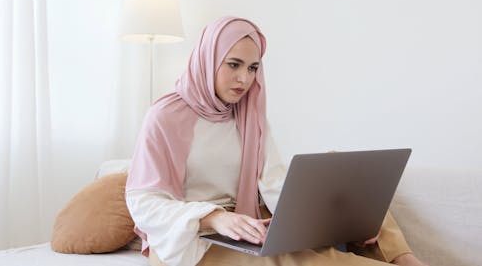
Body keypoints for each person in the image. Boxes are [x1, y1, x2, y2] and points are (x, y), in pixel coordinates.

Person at [125, 16, 428, 266]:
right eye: (234, 64)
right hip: (193, 238)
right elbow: (144, 202)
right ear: (208, 59)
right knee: (300, 260)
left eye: (253, 68)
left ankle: (403, 257)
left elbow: (272, 182)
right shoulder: (164, 116)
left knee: (346, 188)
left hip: (247, 219)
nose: (245, 79)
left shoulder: (248, 114)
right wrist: (213, 218)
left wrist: (321, 216)